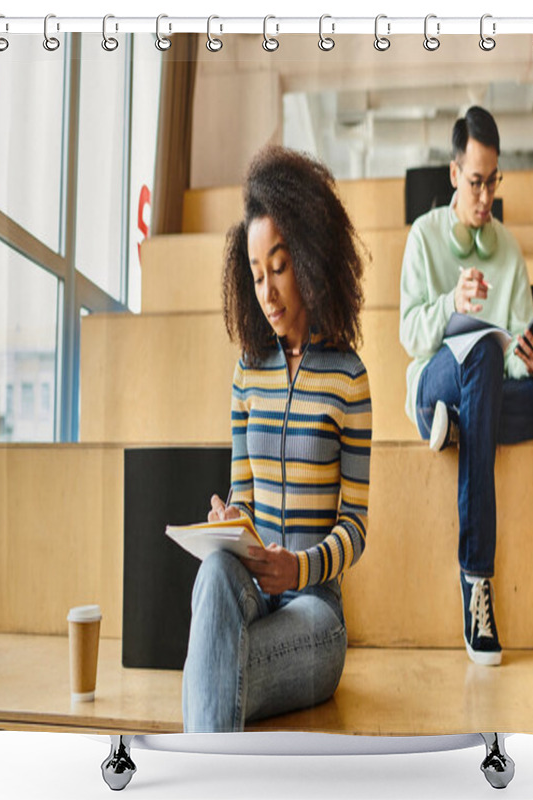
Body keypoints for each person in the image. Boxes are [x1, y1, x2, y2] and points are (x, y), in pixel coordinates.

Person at [183, 146, 372, 732]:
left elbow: (356, 528)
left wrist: (301, 568)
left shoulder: (349, 378)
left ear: (311, 257)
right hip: (250, 595)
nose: (267, 292)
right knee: (214, 574)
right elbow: (243, 494)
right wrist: (230, 519)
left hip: (316, 614)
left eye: (280, 267)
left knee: (214, 669)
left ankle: (198, 751)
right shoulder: (246, 373)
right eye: (257, 274)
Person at [399, 106, 533, 666]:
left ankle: (463, 426)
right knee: (477, 349)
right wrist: (451, 304)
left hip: (485, 389)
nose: (485, 196)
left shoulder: (508, 249)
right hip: (433, 385)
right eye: (475, 181)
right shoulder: (424, 237)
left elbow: (509, 352)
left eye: (492, 181)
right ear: (455, 174)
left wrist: (528, 360)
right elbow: (409, 335)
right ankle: (476, 577)